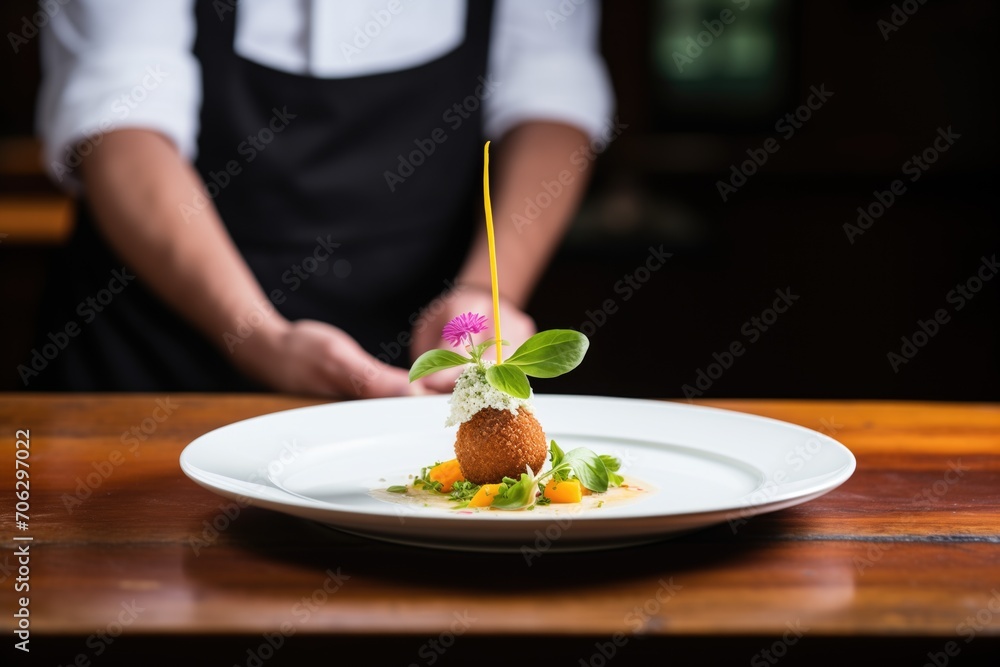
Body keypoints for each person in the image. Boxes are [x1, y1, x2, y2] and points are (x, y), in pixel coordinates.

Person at [29, 0, 613, 397]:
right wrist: (257, 335)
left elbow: (550, 92)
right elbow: (121, 118)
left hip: (422, 354)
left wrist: (484, 295)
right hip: (153, 360)